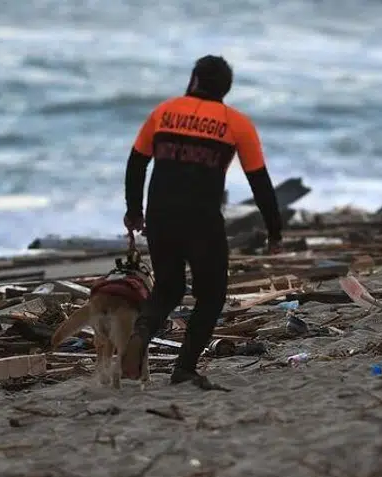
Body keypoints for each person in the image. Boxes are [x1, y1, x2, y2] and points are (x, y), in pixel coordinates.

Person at [119, 55, 284, 390]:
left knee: (168, 287)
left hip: (161, 215)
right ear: (225, 88)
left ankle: (141, 333)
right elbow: (259, 181)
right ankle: (184, 369)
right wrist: (274, 229)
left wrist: (134, 211)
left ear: (194, 80)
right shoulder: (236, 123)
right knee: (211, 295)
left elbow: (136, 163)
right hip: (202, 220)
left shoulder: (163, 113)